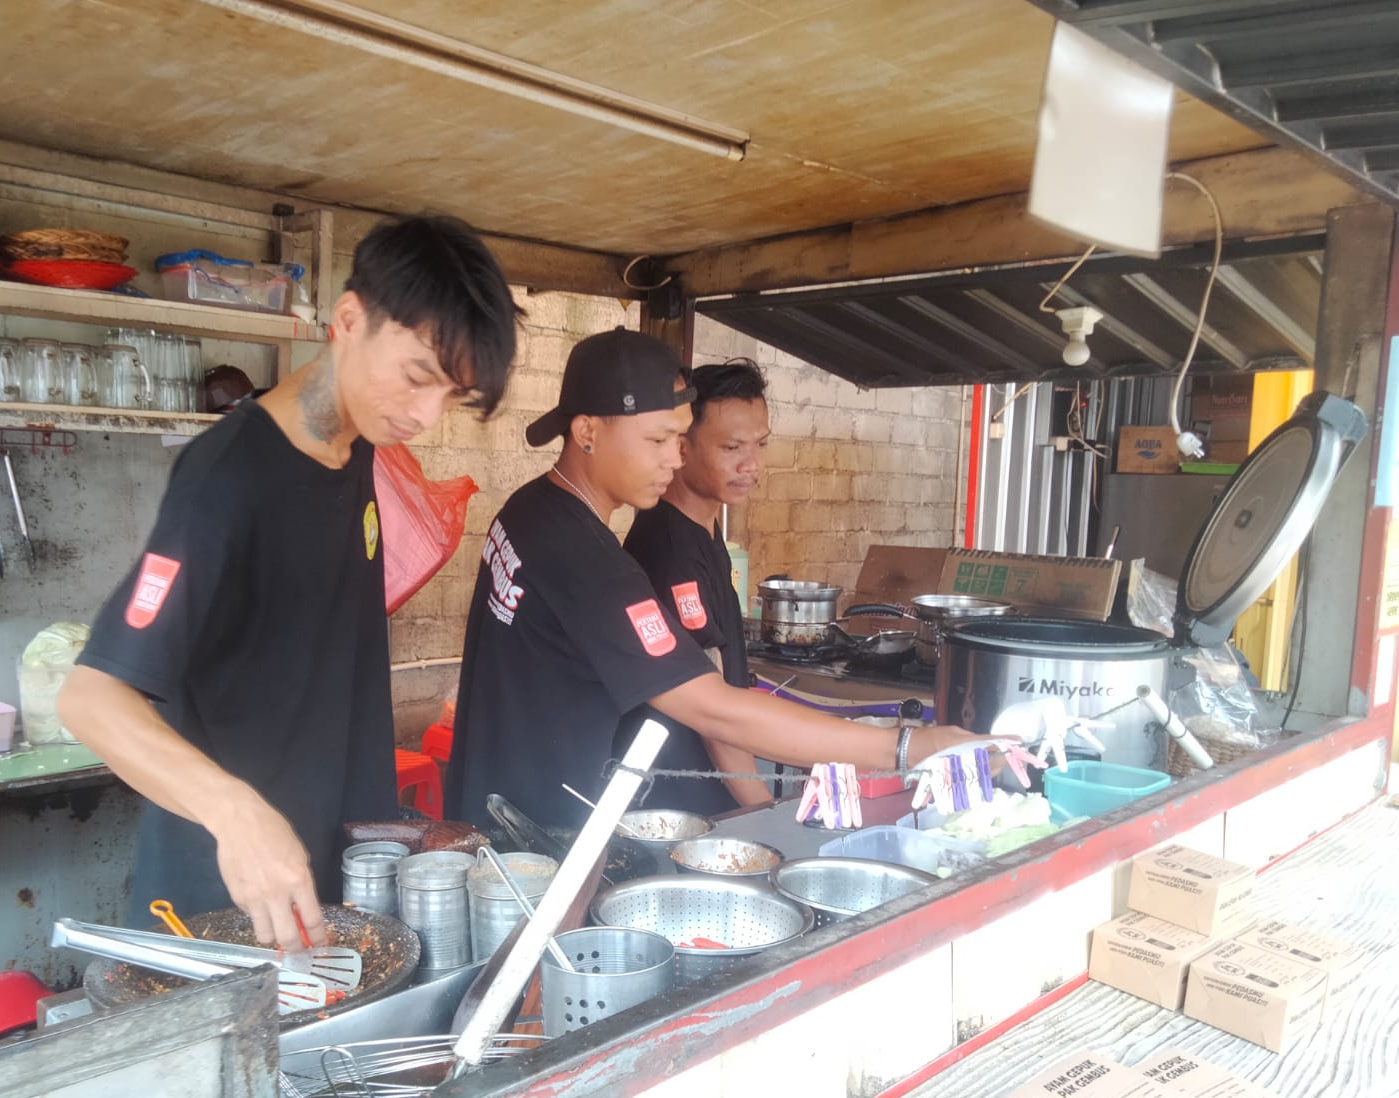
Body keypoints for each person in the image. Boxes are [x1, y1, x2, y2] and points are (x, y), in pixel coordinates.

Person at [58, 215, 521, 948]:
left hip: (326, 889)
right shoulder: (226, 479)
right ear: (347, 320)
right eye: (416, 378)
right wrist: (236, 813)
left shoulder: (357, 448)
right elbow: (91, 699)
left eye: (452, 398)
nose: (425, 416)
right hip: (223, 908)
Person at [445, 328, 975, 834]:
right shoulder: (586, 558)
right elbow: (713, 708)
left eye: (679, 438)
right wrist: (906, 748)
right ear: (587, 431)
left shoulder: (529, 509)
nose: (675, 458)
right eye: (659, 438)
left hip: (491, 804)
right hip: (535, 838)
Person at [621, 357, 770, 813]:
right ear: (682, 447)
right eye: (731, 448)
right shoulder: (672, 552)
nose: (752, 465)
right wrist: (768, 817)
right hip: (675, 797)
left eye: (760, 445)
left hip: (703, 785)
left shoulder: (702, 525)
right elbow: (715, 721)